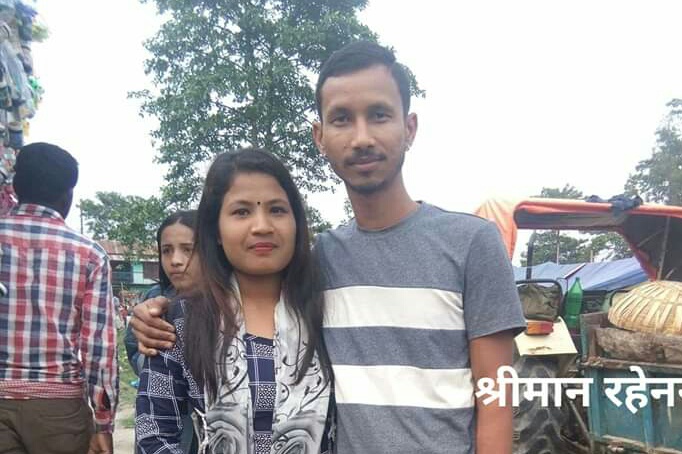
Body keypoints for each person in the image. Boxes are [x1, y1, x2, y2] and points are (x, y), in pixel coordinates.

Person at [132, 42, 525, 453]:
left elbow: (496, 397)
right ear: (319, 136)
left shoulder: (471, 244)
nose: (361, 138)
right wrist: (154, 313)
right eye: (342, 119)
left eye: (379, 115)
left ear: (409, 127)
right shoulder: (321, 260)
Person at [135, 148, 331, 454]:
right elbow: (153, 434)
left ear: (296, 221)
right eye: (241, 212)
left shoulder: (327, 314)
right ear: (215, 230)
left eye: (277, 210)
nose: (262, 225)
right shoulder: (180, 322)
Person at [0, 142, 117, 454]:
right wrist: (103, 423)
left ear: (16, 187)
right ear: (68, 195)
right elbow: (98, 349)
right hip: (58, 409)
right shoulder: (89, 255)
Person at [125, 210, 200, 453]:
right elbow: (135, 353)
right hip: (169, 424)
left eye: (188, 249)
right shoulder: (154, 302)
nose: (175, 260)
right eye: (166, 250)